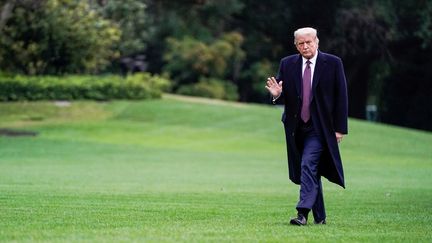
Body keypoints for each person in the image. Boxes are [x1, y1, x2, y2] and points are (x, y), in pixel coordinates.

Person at [265, 27, 348, 226]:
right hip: (295, 129)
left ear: (317, 41)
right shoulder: (287, 63)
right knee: (311, 170)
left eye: (308, 42)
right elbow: (285, 94)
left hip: (320, 128)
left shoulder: (333, 63)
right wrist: (277, 95)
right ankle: (320, 218)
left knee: (307, 165)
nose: (305, 46)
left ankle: (302, 213)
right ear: (296, 45)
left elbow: (342, 96)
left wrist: (340, 128)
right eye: (301, 43)